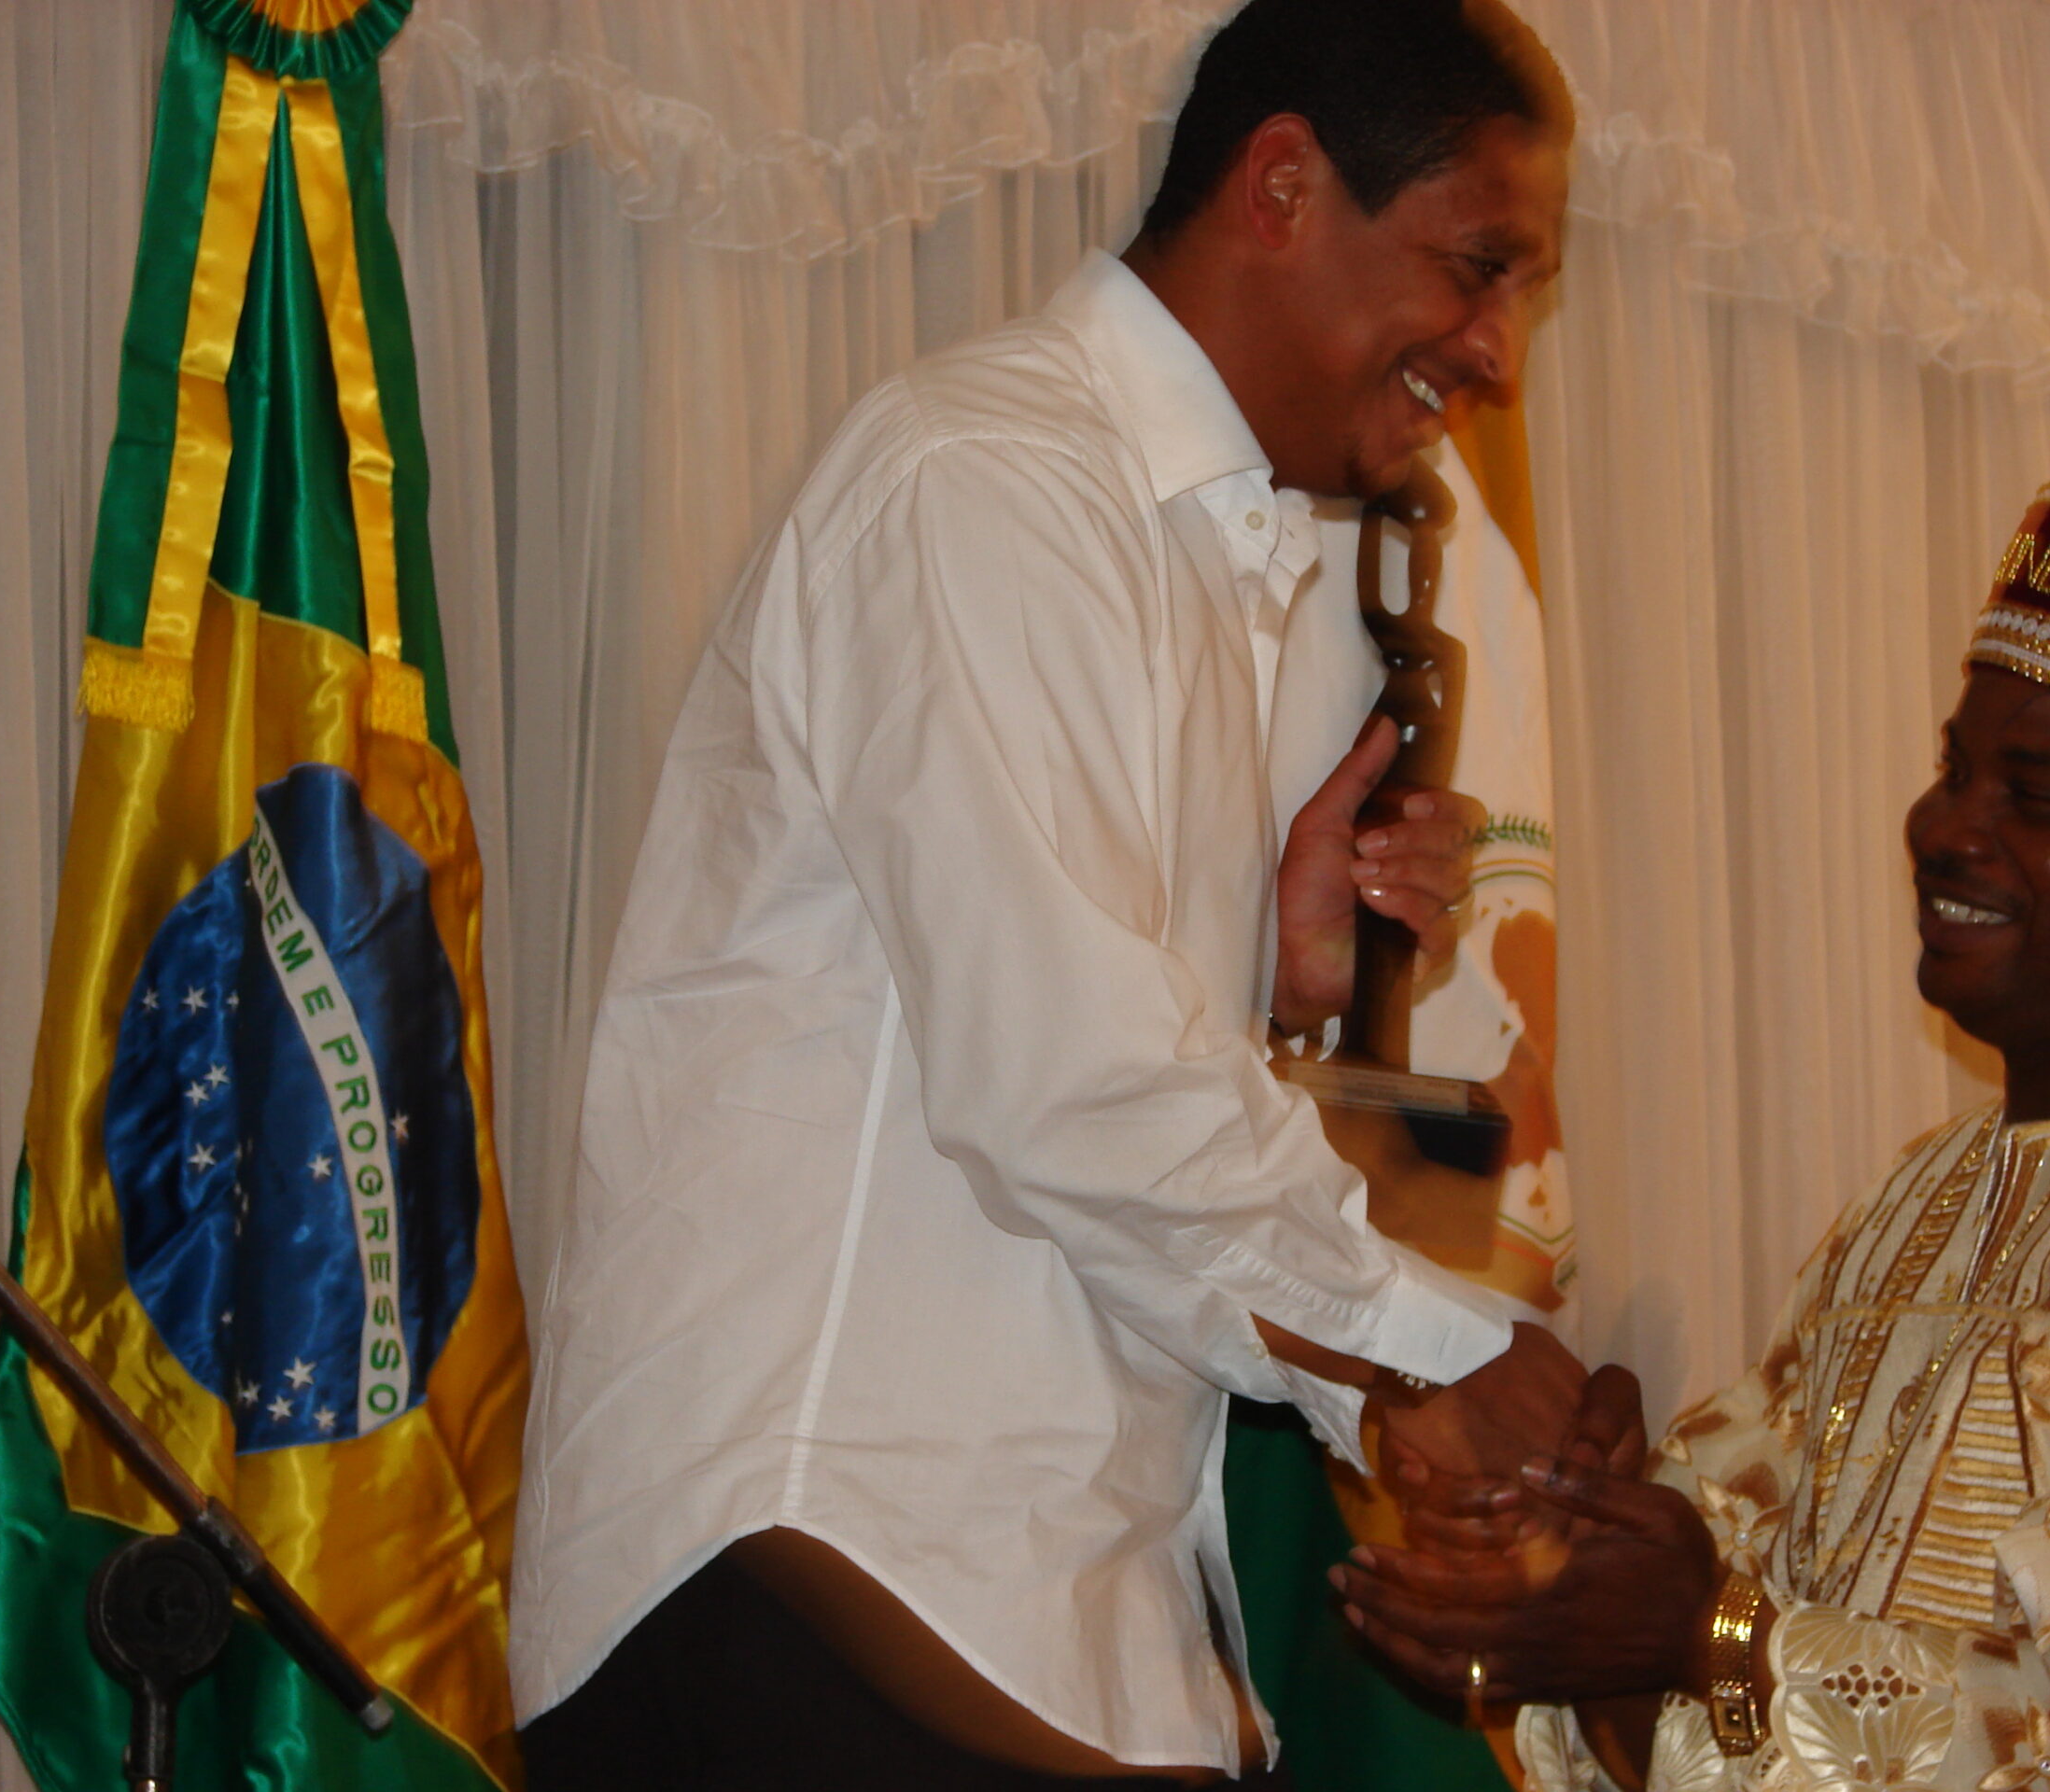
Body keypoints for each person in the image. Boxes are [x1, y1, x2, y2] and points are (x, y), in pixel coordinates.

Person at [508, 3, 1584, 1785]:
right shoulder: (990, 480)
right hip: (826, 1568)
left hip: (1035, 1616)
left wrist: (1283, 990)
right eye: (1478, 269)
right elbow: (1069, 1082)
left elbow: (1095, 1078)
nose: (1496, 355)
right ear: (1284, 186)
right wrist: (1426, 1350)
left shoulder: (1228, 568)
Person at [1336, 483, 2050, 1792]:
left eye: (2035, 797)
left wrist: (1700, 1633)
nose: (1945, 828)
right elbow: (1720, 1606)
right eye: (1955, 770)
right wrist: (1573, 1524)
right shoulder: (1924, 1192)